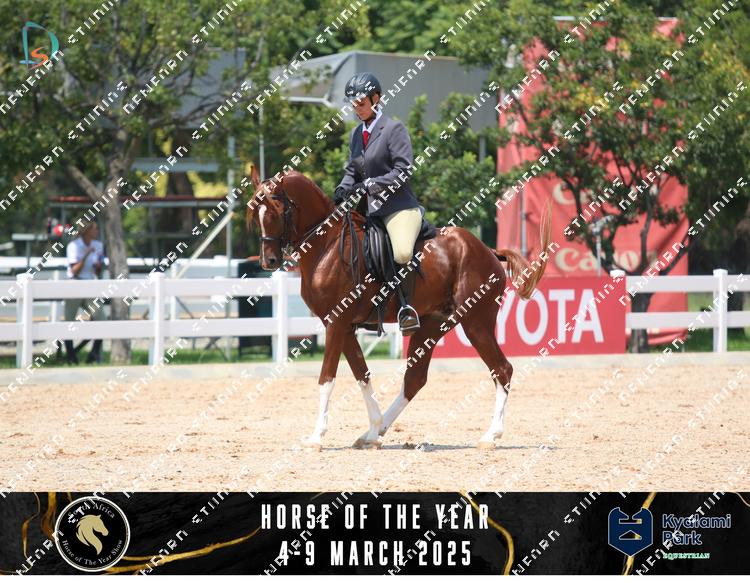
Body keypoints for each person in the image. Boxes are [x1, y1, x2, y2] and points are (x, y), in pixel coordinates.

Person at [333, 72, 423, 335]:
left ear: (376, 99)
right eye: (353, 104)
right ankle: (368, 308)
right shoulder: (355, 134)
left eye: (361, 103)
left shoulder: (393, 129)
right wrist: (343, 187)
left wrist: (370, 185)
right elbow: (353, 170)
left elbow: (403, 170)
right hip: (371, 210)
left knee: (403, 252)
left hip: (399, 207)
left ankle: (407, 308)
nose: (356, 108)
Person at [64, 222, 105, 364]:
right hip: (74, 284)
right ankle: (71, 356)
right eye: (95, 229)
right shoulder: (74, 246)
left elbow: (97, 271)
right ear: (87, 231)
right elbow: (74, 270)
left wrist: (98, 266)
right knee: (69, 321)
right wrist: (86, 255)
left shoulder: (98, 245)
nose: (97, 231)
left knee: (101, 319)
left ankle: (94, 353)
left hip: (90, 284)